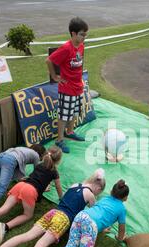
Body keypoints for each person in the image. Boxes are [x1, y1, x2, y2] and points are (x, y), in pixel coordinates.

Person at [0, 146, 63, 244]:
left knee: (3, 209)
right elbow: (58, 187)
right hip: (30, 190)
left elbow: (37, 177)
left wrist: (43, 186)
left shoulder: (39, 166)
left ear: (47, 154)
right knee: (27, 215)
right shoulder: (54, 172)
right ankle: (6, 226)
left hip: (20, 185)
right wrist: (61, 198)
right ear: (58, 161)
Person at [46, 17, 89, 153]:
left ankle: (70, 132)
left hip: (78, 86)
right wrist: (54, 76)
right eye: (82, 34)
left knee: (74, 112)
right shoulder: (65, 48)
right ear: (73, 33)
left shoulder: (81, 46)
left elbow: (78, 63)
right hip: (67, 88)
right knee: (64, 115)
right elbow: (49, 60)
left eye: (85, 34)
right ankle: (59, 140)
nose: (84, 37)